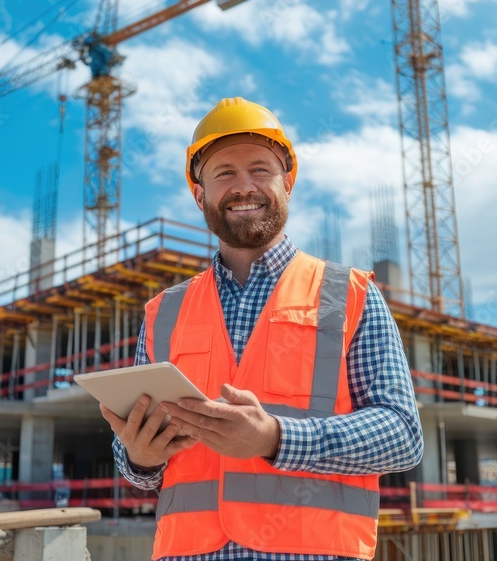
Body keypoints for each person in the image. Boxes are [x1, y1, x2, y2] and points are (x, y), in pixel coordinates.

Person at [100, 97, 423, 561]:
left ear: (287, 183)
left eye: (260, 169)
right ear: (200, 194)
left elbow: (402, 436)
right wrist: (139, 456)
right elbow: (137, 467)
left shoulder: (347, 294)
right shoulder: (164, 312)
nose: (244, 186)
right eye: (224, 173)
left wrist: (276, 437)